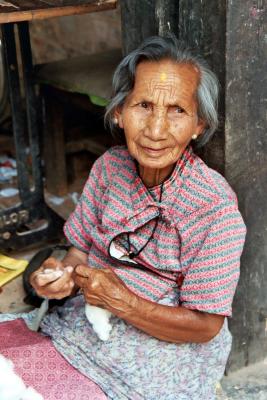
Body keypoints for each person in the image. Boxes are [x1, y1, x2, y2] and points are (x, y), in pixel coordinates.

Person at [29, 35, 246, 400]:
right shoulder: (109, 168)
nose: (156, 130)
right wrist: (59, 277)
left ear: (199, 126)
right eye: (143, 105)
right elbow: (79, 251)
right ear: (118, 112)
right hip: (91, 325)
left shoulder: (215, 207)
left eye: (177, 110)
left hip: (167, 350)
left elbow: (206, 325)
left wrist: (124, 302)